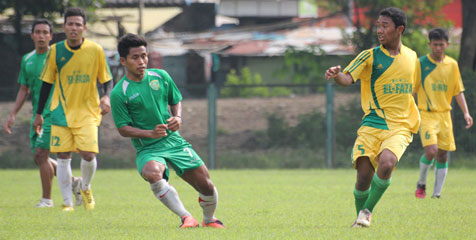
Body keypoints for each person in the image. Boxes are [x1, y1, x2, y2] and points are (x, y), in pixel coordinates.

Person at [110, 33, 224, 228]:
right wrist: (149, 134)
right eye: (135, 57)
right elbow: (123, 128)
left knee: (206, 185)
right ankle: (186, 217)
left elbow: (175, 99)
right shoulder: (119, 93)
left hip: (174, 141)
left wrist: (177, 117)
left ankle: (209, 220)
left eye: (144, 56)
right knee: (152, 172)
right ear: (123, 61)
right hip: (148, 148)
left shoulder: (161, 76)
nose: (141, 61)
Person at [325, 7, 420, 228]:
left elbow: (412, 90)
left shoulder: (412, 57)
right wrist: (336, 75)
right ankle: (359, 220)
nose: (379, 30)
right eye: (378, 25)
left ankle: (366, 212)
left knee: (387, 163)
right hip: (372, 124)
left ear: (400, 29)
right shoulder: (369, 56)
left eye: (384, 26)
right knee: (363, 177)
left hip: (401, 126)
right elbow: (347, 79)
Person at [33, 7, 113, 212]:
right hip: (60, 112)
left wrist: (106, 96)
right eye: (71, 24)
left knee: (88, 154)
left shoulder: (96, 50)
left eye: (78, 24)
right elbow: (46, 84)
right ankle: (67, 202)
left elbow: (107, 79)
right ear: (64, 27)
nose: (74, 28)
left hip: (88, 112)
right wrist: (39, 113)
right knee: (62, 156)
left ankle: (85, 187)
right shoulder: (55, 51)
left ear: (85, 28)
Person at [4, 19, 82, 208]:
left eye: (45, 32)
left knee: (41, 153)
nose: (41, 36)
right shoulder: (27, 59)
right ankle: (73, 182)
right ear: (32, 35)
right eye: (37, 32)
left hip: (55, 112)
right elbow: (24, 89)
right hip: (37, 113)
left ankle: (47, 200)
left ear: (51, 36)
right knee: (39, 157)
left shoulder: (57, 57)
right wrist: (13, 113)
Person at [414, 28, 473, 199]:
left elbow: (458, 90)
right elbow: (413, 89)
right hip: (426, 114)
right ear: (429, 45)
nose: (438, 48)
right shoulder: (421, 63)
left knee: (443, 154)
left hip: (445, 116)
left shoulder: (452, 65)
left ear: (447, 44)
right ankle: (422, 183)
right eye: (435, 44)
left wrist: (466, 113)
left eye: (441, 44)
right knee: (431, 151)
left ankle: (436, 194)